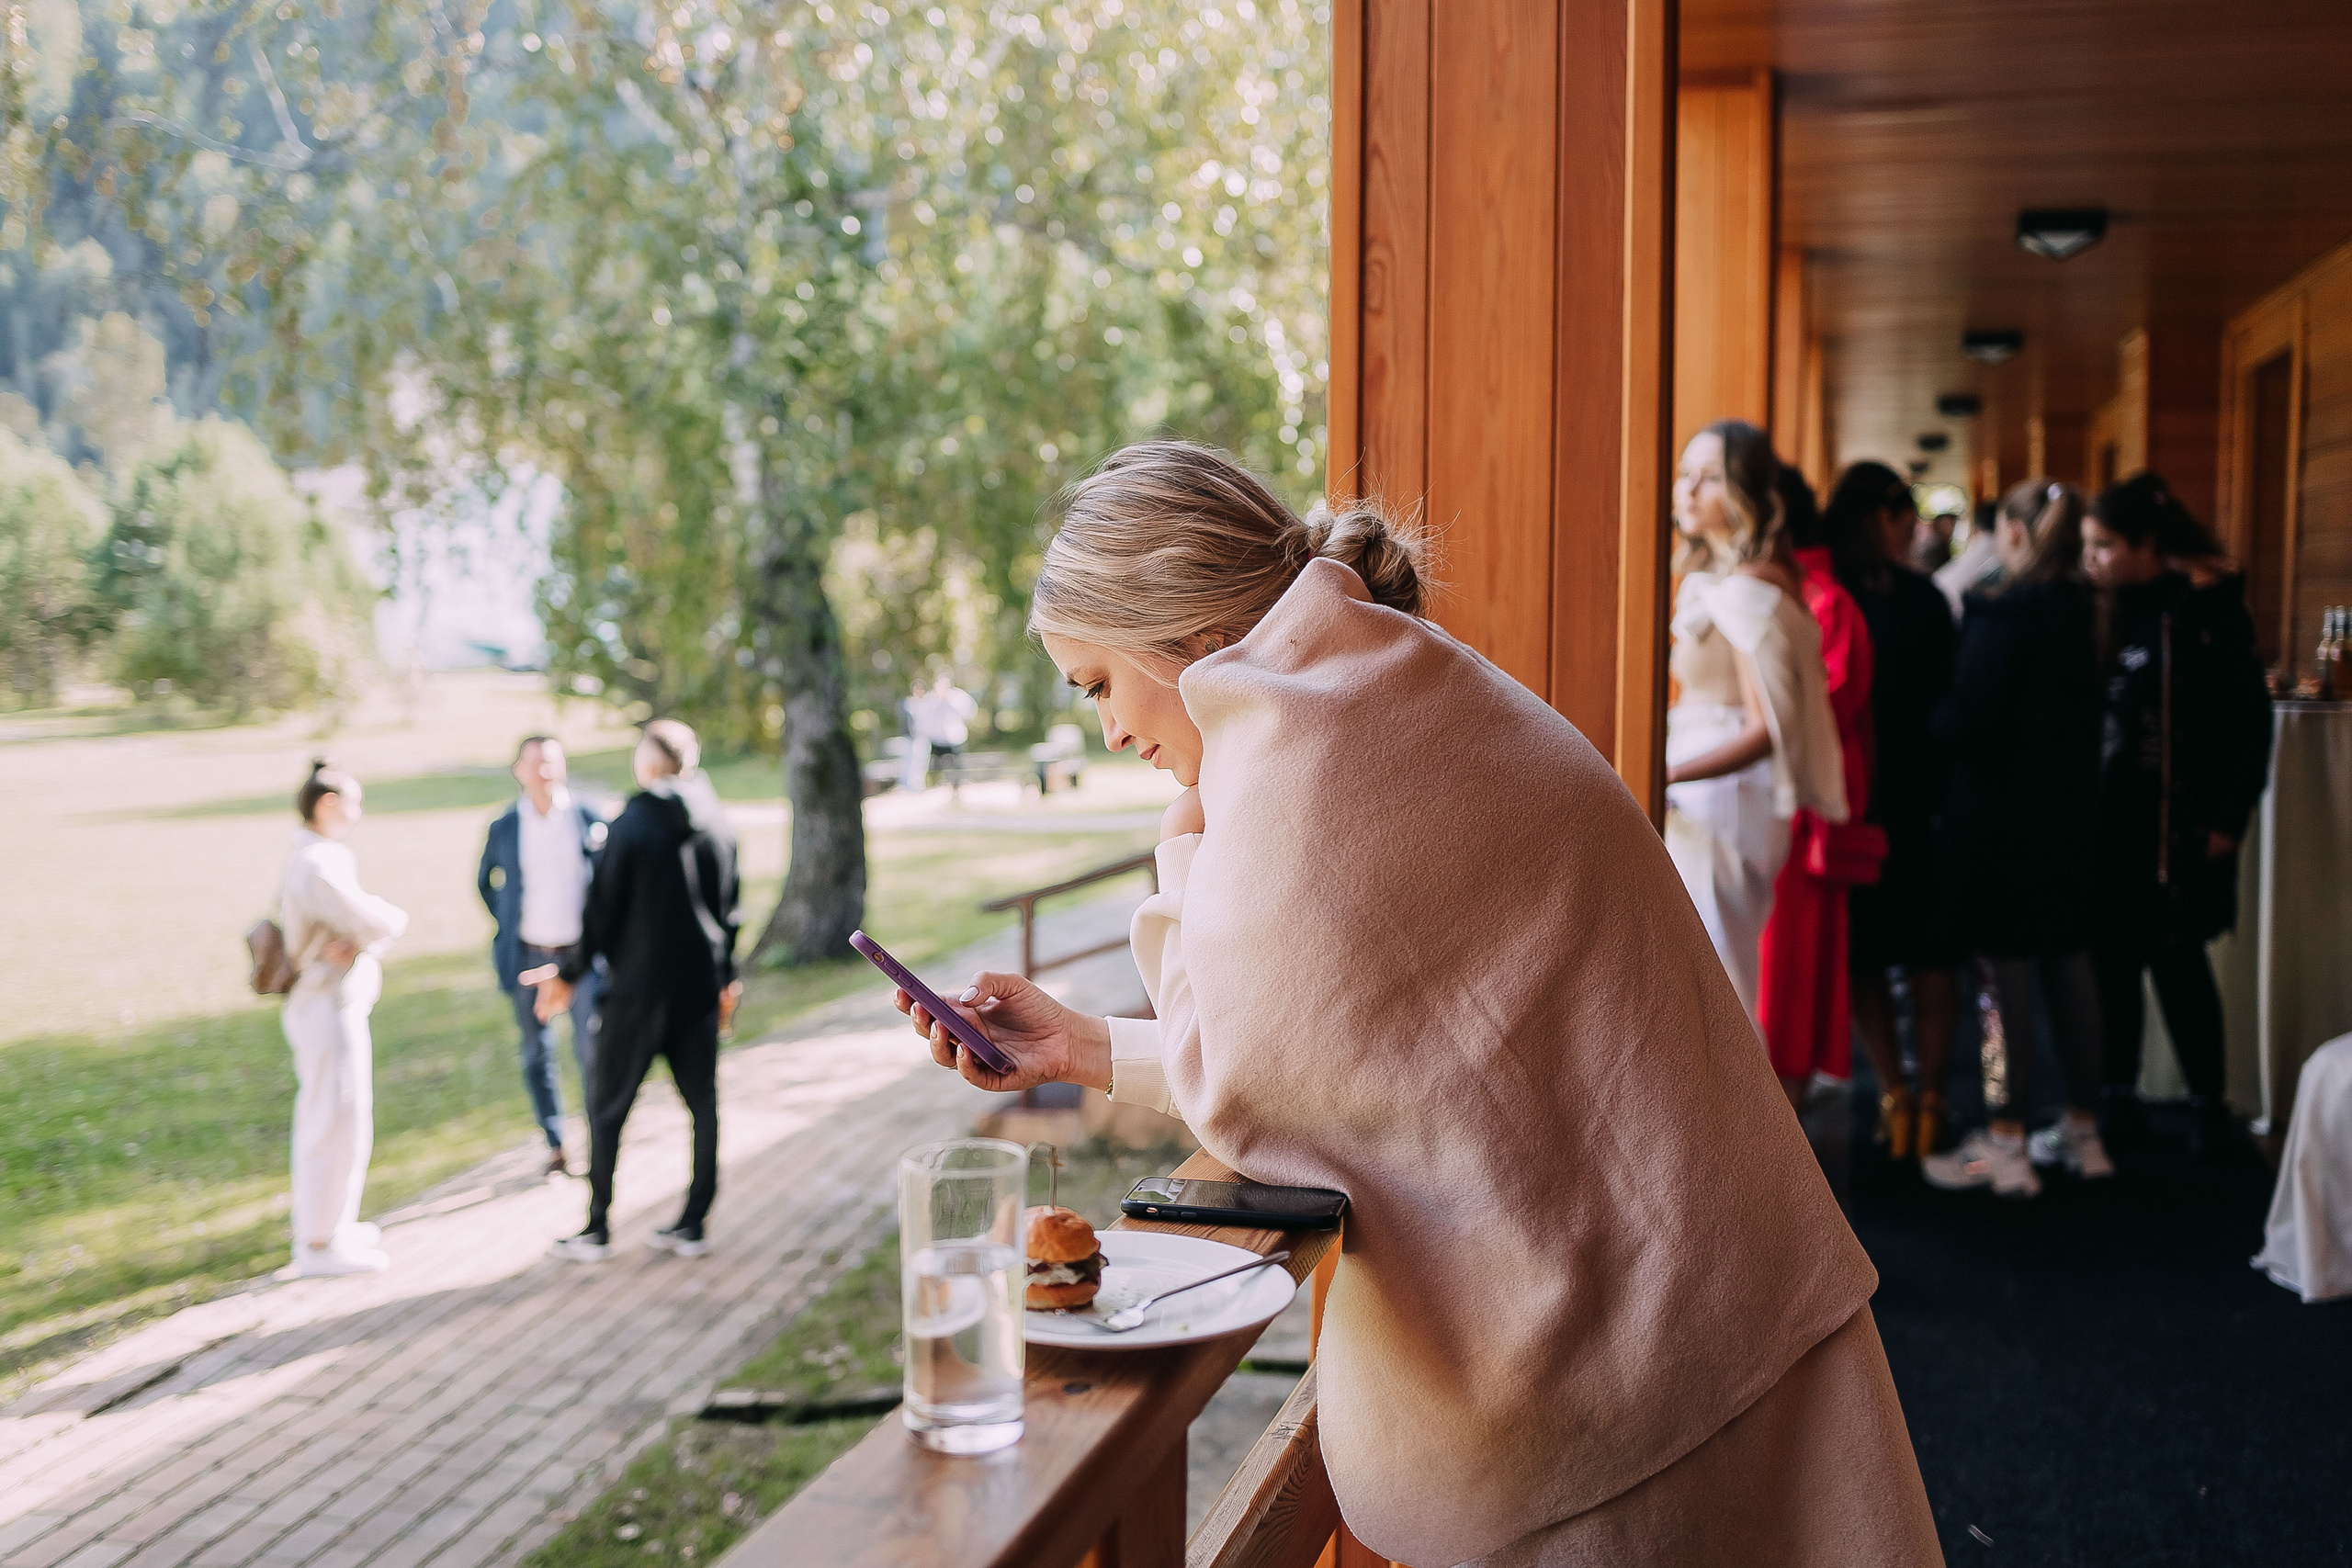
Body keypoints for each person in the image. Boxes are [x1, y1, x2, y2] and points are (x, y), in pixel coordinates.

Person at [894, 440, 1939, 1566]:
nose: (1108, 730)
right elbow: (1316, 1051)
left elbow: (1240, 1089)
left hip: (1632, 1401)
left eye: (1099, 683)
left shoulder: (1301, 764)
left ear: (1181, 629)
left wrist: (1184, 838)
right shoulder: (1389, 676)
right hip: (1713, 1306)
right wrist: (1081, 1043)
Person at [1924, 480, 2109, 1198]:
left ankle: (2006, 1137)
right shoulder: (2094, 612)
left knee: (2001, 982)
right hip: (2072, 818)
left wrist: (1929, 719)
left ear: (2015, 535)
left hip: (1999, 822)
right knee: (2069, 962)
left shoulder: (2003, 616)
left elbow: (1968, 720)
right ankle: (2083, 1129)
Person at [2081, 474, 2273, 1156]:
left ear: (2146, 545)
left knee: (2178, 960)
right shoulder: (2101, 608)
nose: (2093, 559)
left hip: (2178, 822)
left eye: (2105, 545)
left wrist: (2228, 816)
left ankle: (2206, 1103)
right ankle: (2118, 1094)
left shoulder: (2204, 610)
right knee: (2111, 964)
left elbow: (2247, 723)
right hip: (2108, 823)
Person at [528, 719, 741, 1261]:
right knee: (703, 1104)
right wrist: (726, 979)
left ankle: (597, 1227)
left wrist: (569, 973)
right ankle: (693, 1224)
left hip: (639, 992)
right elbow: (731, 910)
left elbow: (601, 911)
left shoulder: (633, 822)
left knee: (608, 1105)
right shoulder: (717, 820)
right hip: (699, 987)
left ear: (650, 761)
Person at [1664, 420, 1849, 1023]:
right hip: (1708, 790)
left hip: (1722, 796)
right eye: (1684, 474)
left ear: (1744, 492)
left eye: (1709, 477)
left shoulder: (1746, 589)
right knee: (1702, 978)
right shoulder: (1726, 580)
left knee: (1717, 983)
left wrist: (1665, 775)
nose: (1688, 490)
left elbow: (1766, 729)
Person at [1821, 461, 1961, 1158]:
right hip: (1924, 793)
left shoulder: (1831, 598)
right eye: (1908, 520)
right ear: (1883, 518)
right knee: (1932, 950)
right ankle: (1930, 1098)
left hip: (1859, 794)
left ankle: (1894, 1092)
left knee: (1868, 953)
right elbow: (1950, 698)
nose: (1914, 534)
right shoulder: (1924, 600)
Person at [1755, 465, 1877, 1106]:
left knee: (1788, 971)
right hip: (1769, 801)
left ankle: (1780, 1116)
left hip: (1797, 808)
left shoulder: (1823, 602)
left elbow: (1814, 711)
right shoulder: (1808, 596)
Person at [277, 759, 409, 1277]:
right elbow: (376, 920)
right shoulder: (318, 863)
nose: (359, 813)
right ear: (328, 803)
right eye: (354, 802)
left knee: (346, 1117)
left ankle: (334, 1224)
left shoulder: (319, 857)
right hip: (324, 1006)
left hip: (334, 1003)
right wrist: (382, 923)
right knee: (330, 1120)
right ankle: (319, 1242)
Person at [477, 735, 608, 1177]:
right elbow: (485, 882)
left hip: (583, 959)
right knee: (536, 1053)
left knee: (591, 1049)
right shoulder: (505, 826)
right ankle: (555, 1143)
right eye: (535, 763)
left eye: (551, 762)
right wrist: (508, 919)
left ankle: (598, 1141)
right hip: (529, 957)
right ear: (519, 770)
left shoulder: (586, 816)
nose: (544, 771)